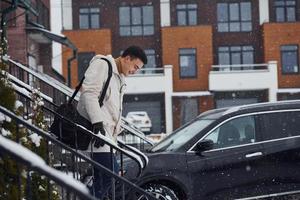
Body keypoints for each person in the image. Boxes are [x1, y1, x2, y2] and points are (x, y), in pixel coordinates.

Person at [76, 46, 147, 198]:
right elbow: (89, 94)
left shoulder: (119, 78)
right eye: (135, 66)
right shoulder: (102, 64)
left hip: (106, 136)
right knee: (111, 174)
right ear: (127, 58)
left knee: (103, 177)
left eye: (138, 69)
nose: (135, 71)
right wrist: (97, 122)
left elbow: (111, 108)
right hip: (96, 132)